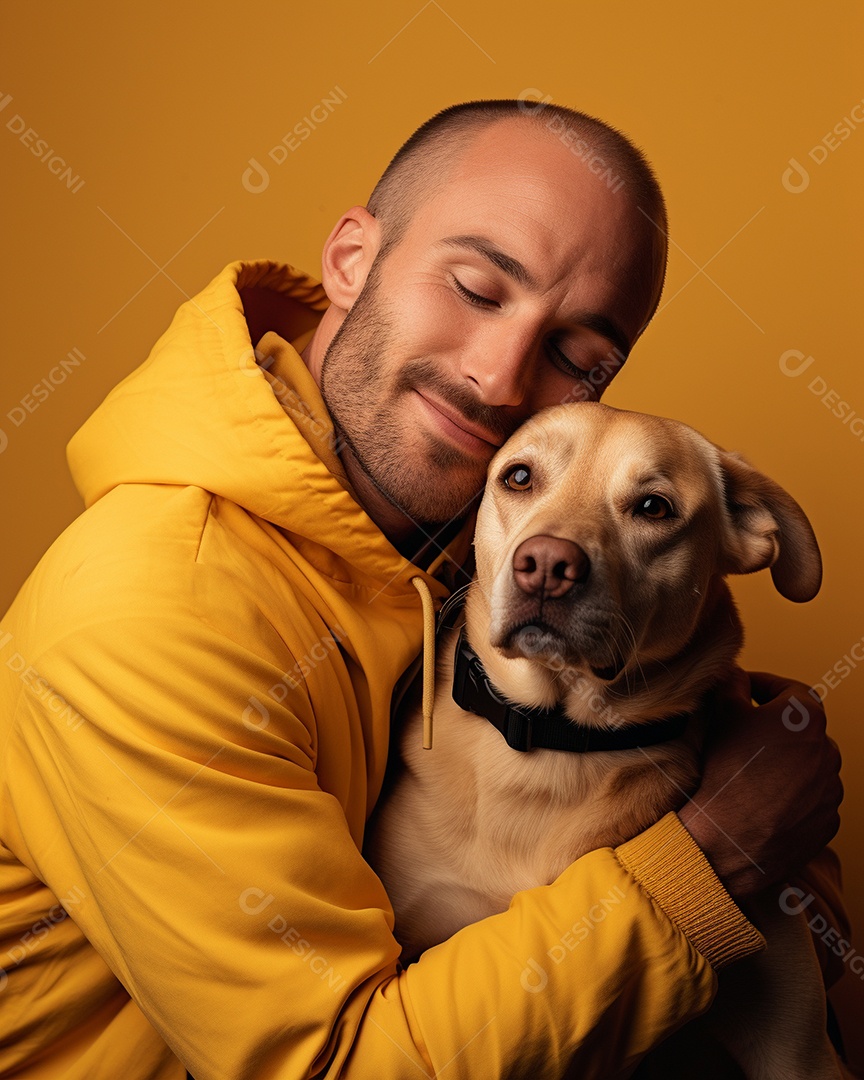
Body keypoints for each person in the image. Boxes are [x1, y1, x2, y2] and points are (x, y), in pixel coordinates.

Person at [0, 99, 845, 1079]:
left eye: (579, 356)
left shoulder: (443, 534)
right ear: (353, 259)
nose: (499, 379)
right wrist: (710, 863)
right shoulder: (150, 609)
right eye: (478, 287)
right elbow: (335, 1067)